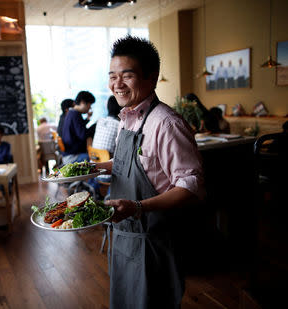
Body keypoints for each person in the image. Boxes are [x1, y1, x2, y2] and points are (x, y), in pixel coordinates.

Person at [97, 35, 204, 309]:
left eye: (126, 75)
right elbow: (134, 162)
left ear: (151, 77)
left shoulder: (166, 124)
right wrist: (97, 166)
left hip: (153, 243)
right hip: (123, 237)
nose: (116, 84)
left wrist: (136, 207)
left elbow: (190, 187)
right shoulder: (127, 117)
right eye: (112, 76)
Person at [61, 91, 95, 164]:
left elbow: (80, 129)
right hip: (72, 157)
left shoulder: (71, 113)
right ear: (83, 102)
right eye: (89, 105)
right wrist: (95, 126)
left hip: (68, 154)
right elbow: (83, 135)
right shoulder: (75, 114)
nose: (90, 108)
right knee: (96, 158)